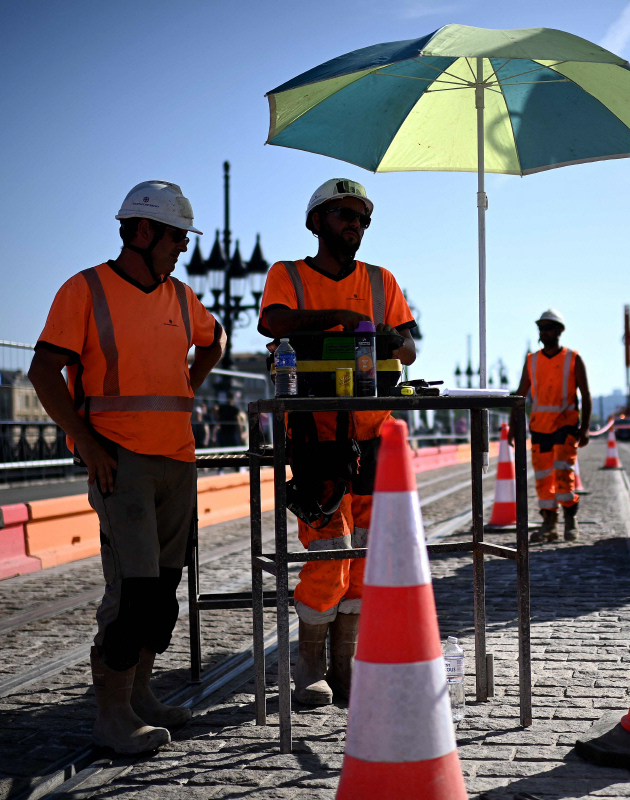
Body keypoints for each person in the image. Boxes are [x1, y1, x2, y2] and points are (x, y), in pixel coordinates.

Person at [29, 180, 225, 754]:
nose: (182, 247)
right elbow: (44, 372)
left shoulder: (181, 298)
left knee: (163, 592)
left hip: (177, 461)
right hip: (121, 463)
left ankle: (141, 696)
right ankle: (112, 713)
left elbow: (213, 341)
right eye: (176, 237)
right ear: (143, 231)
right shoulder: (84, 290)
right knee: (133, 590)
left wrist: (188, 386)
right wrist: (87, 446)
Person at [258, 178, 417, 706]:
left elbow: (409, 348)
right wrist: (342, 320)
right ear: (317, 221)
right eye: (345, 214)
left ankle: (346, 666)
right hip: (314, 438)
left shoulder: (381, 280)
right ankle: (308, 664)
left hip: (372, 438)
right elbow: (272, 322)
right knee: (329, 551)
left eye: (363, 218)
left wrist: (392, 338)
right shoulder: (289, 275)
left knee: (367, 556)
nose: (356, 225)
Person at [511, 309, 592, 542]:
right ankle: (549, 523)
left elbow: (586, 394)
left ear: (559, 331)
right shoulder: (532, 360)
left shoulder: (573, 358)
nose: (544, 332)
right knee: (543, 479)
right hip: (539, 429)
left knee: (563, 476)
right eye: (541, 328)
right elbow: (520, 395)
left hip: (566, 426)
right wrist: (512, 426)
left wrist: (584, 428)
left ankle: (570, 518)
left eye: (548, 328)